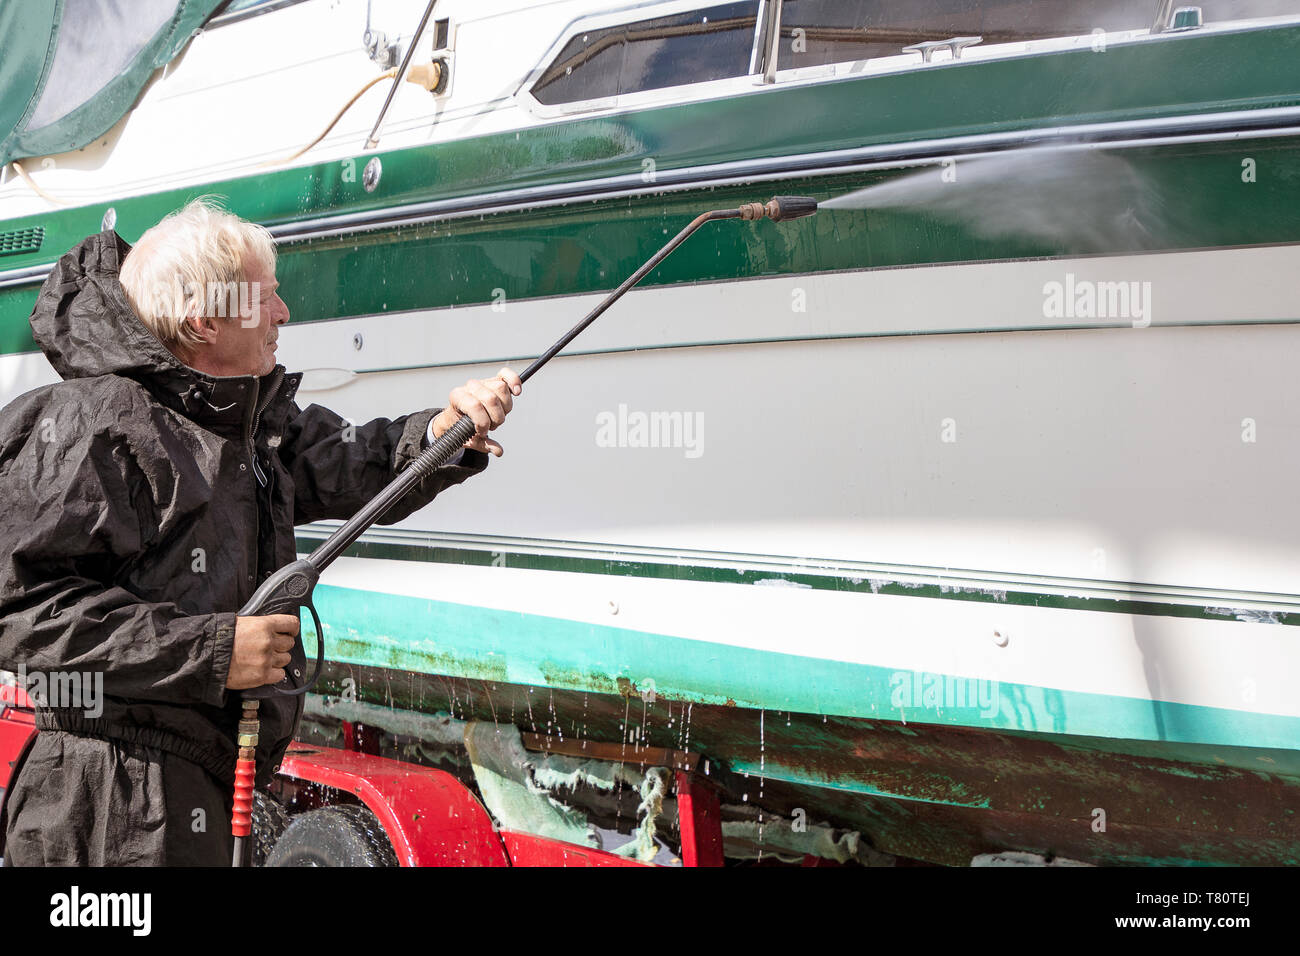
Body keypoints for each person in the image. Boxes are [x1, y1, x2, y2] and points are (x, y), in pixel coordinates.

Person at [0, 198, 521, 865]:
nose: (283, 314)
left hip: (197, 792)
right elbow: (20, 614)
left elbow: (356, 461)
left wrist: (446, 431)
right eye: (266, 299)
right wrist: (216, 650)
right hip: (103, 802)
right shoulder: (87, 427)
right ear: (202, 321)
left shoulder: (244, 425)